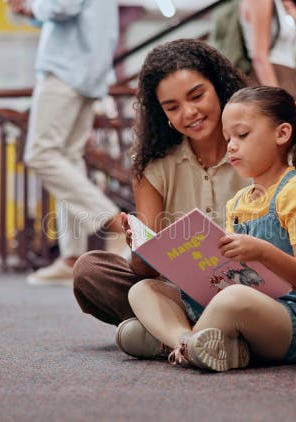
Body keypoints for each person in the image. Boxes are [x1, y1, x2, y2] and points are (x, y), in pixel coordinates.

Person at [120, 86, 296, 372]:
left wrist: (263, 252)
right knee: (143, 290)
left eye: (242, 135)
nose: (231, 146)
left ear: (281, 134)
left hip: (290, 317)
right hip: (232, 302)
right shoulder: (238, 202)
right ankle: (188, 342)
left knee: (233, 299)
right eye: (227, 138)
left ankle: (172, 343)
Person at [72, 39, 250, 324]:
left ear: (219, 88)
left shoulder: (255, 148)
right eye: (172, 107)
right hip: (176, 291)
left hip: (248, 289)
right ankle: (195, 328)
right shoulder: (152, 168)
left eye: (197, 96)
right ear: (161, 113)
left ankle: (165, 331)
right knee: (90, 270)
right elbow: (146, 272)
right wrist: (139, 248)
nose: (189, 113)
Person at [6, 0, 123, 285]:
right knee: (67, 159)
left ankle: (113, 221)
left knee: (40, 153)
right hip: (89, 72)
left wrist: (32, 7)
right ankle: (72, 258)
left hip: (66, 69)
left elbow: (63, 5)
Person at [238, 0, 296, 98]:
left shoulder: (281, 3)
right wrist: (277, 98)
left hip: (288, 77)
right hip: (272, 77)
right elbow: (259, 56)